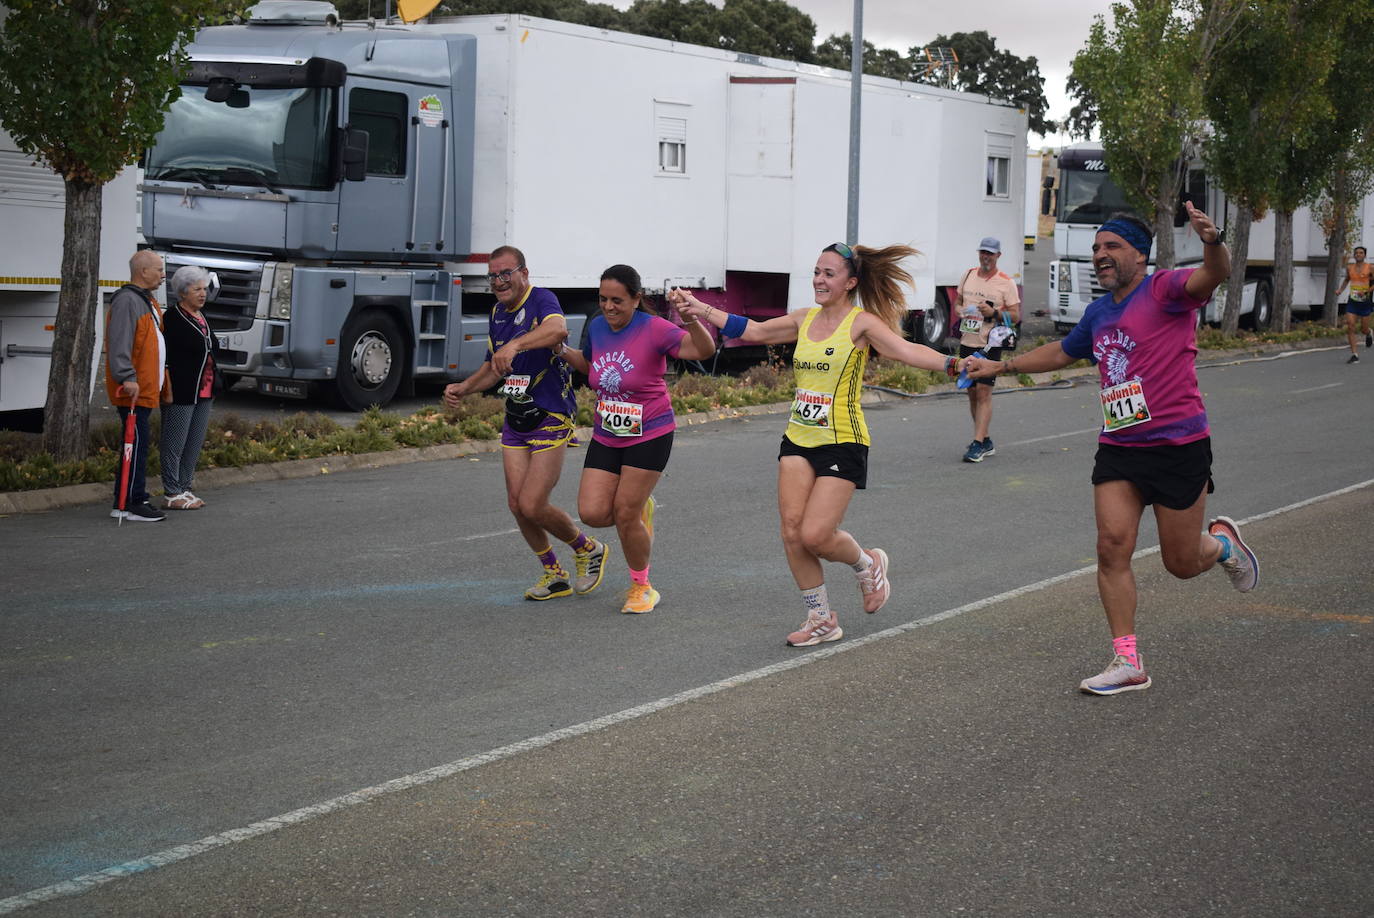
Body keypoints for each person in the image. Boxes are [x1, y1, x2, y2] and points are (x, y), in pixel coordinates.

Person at [965, 205, 1259, 696]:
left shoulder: (1164, 289)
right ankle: (1127, 660)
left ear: (1139, 255)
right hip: (1120, 444)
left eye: (1111, 247)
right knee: (1110, 547)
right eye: (1096, 249)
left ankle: (1224, 544)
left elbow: (1215, 274)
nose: (1099, 255)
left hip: (1178, 445)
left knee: (1181, 563)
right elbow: (1061, 352)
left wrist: (1213, 240)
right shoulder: (1099, 312)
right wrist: (1001, 367)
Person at [675, 242, 963, 647]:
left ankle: (868, 563)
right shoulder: (803, 319)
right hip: (798, 437)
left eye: (828, 273)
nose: (819, 280)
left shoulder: (861, 324)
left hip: (843, 440)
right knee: (792, 533)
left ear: (850, 282)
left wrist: (953, 363)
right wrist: (701, 309)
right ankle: (821, 619)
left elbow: (906, 350)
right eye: (816, 272)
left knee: (815, 535)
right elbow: (753, 330)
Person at [442, 246, 608, 601]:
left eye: (505, 273)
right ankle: (553, 573)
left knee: (534, 503)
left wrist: (515, 345)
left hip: (550, 412)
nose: (499, 282)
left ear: (524, 273)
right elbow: (492, 366)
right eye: (492, 276)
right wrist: (463, 389)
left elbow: (558, 331)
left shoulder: (541, 299)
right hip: (517, 417)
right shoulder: (497, 313)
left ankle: (588, 548)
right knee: (517, 504)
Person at [557, 265, 715, 614]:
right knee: (594, 513)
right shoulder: (597, 326)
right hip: (607, 433)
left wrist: (690, 319)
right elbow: (589, 364)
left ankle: (641, 587)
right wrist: (560, 350)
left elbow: (700, 351)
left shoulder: (654, 328)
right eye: (603, 299)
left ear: (636, 298)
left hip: (650, 432)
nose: (609, 307)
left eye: (617, 300)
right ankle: (643, 505)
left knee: (624, 512)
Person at [105, 250, 172, 522]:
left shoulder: (146, 301)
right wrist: (126, 376)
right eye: (158, 269)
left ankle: (131, 498)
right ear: (143, 271)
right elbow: (120, 341)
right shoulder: (128, 301)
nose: (162, 274)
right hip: (134, 389)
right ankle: (130, 502)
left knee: (139, 444)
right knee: (136, 444)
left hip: (145, 388)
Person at [953, 236, 1021, 462]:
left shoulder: (1005, 282)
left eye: (990, 254)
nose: (986, 257)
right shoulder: (969, 275)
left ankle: (978, 443)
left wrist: (994, 314)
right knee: (972, 393)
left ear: (998, 256)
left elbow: (1016, 315)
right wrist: (961, 310)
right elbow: (958, 301)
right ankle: (985, 438)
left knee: (983, 393)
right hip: (967, 342)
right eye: (983, 252)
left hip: (990, 344)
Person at [160, 266, 222, 510]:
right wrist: (167, 387)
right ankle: (172, 491)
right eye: (197, 289)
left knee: (194, 442)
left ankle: (185, 487)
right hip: (182, 390)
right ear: (183, 292)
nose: (203, 294)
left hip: (205, 389)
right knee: (174, 442)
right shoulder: (172, 318)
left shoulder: (202, 316)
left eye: (205, 289)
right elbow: (165, 355)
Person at [1334, 245, 1372, 363]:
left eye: (1361, 253)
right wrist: (1340, 290)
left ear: (1364, 255)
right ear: (1354, 255)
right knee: (1350, 326)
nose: (1358, 255)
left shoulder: (1370, 268)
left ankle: (1369, 332)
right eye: (1356, 253)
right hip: (1352, 302)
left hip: (1365, 302)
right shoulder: (1350, 268)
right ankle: (1354, 355)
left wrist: (1365, 291)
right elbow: (1347, 279)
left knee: (1363, 329)